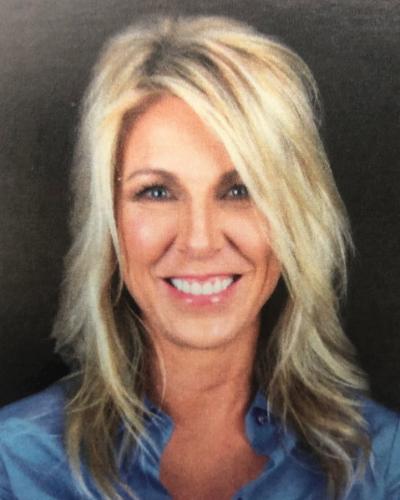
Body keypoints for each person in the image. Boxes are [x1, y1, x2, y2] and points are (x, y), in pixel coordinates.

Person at [0, 14, 399, 500]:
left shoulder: (381, 466)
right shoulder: (14, 465)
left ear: (294, 218)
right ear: (109, 224)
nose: (200, 240)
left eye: (240, 189)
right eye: (157, 192)